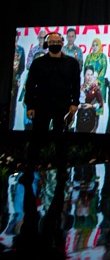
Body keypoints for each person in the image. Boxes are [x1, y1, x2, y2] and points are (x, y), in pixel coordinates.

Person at [23, 31, 81, 169]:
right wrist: (30, 106)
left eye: (57, 42)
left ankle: (62, 171)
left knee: (61, 141)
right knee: (36, 140)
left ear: (62, 43)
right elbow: (30, 85)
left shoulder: (72, 63)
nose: (55, 44)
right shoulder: (38, 63)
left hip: (62, 106)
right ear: (47, 44)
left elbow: (76, 84)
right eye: (52, 42)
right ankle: (29, 171)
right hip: (41, 106)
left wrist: (74, 103)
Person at [76, 66, 103, 133]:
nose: (89, 77)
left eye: (91, 75)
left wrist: (91, 106)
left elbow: (100, 104)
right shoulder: (80, 87)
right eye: (88, 75)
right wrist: (78, 105)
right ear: (84, 75)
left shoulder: (96, 88)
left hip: (91, 116)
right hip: (80, 116)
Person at [83, 38, 108, 107]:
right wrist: (88, 81)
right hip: (89, 84)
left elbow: (104, 69)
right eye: (93, 45)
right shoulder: (88, 57)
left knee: (98, 106)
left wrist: (97, 80)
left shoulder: (103, 57)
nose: (95, 47)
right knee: (88, 105)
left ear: (99, 46)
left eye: (97, 45)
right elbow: (85, 69)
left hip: (99, 84)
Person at [10, 30, 25, 130]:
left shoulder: (20, 50)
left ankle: (10, 126)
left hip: (14, 81)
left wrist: (18, 76)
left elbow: (22, 66)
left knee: (12, 104)